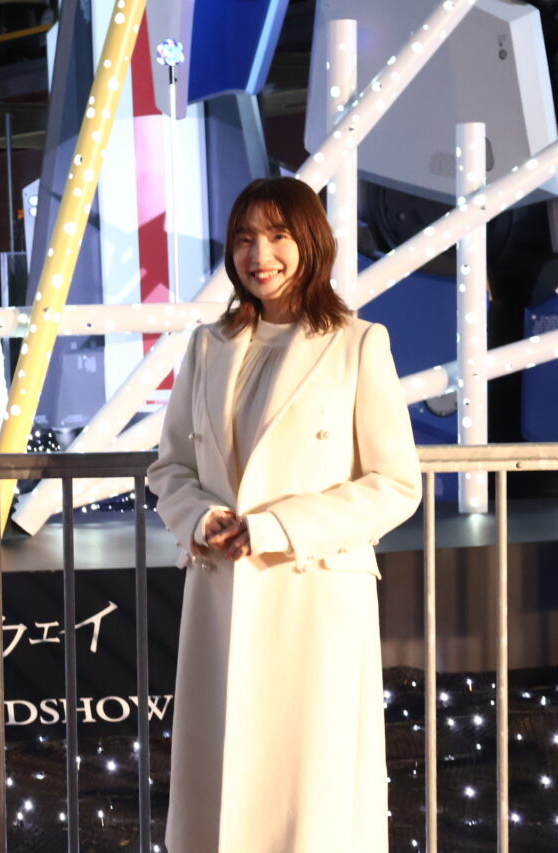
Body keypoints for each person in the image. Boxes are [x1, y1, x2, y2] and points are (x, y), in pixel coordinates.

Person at [147, 176, 421, 852]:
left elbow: (395, 484)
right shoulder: (208, 344)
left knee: (310, 790)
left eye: (276, 236)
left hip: (314, 598)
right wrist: (200, 518)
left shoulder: (358, 343)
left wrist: (278, 528)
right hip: (221, 595)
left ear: (311, 242)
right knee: (222, 783)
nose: (258, 254)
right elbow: (169, 467)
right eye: (244, 238)